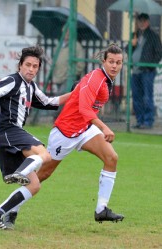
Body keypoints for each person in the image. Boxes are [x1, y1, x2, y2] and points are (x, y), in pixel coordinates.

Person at [0, 45, 70, 230]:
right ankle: (20, 172)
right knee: (44, 155)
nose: (31, 69)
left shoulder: (32, 87)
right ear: (20, 65)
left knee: (35, 185)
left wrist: (78, 94)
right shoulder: (12, 81)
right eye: (27, 64)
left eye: (35, 66)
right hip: (7, 131)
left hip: (9, 139)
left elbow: (50, 102)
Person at [37, 44, 125, 223]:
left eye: (118, 62)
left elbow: (83, 101)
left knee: (111, 158)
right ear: (104, 61)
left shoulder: (105, 79)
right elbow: (85, 109)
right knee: (42, 175)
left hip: (84, 129)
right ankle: (11, 207)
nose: (114, 66)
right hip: (65, 132)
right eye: (111, 62)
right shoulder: (97, 78)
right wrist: (104, 127)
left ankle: (101, 209)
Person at [131, 13, 162, 129]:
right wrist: (132, 45)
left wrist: (150, 66)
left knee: (147, 96)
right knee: (136, 96)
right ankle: (140, 120)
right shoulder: (134, 35)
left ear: (148, 22)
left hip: (147, 71)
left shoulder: (153, 36)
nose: (142, 23)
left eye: (144, 21)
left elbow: (159, 52)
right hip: (135, 71)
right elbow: (128, 50)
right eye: (140, 21)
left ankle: (148, 121)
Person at [52, 27, 85, 119]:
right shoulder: (58, 45)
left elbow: (81, 64)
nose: (66, 34)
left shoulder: (76, 46)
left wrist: (73, 73)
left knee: (61, 96)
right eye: (65, 32)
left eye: (68, 32)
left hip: (69, 78)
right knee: (64, 99)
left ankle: (56, 117)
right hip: (58, 76)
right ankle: (63, 119)